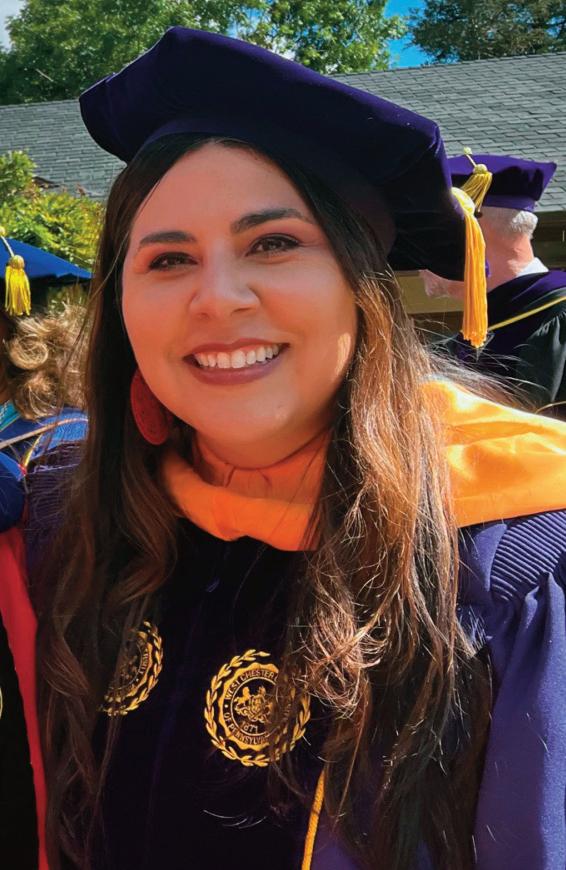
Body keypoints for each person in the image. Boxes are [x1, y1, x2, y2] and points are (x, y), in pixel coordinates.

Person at [7, 28, 566, 870]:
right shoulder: (71, 517)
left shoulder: (513, 562)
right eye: (168, 258)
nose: (217, 297)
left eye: (274, 243)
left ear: (361, 286)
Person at [421, 153, 566, 416]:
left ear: (471, 232)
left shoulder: (557, 321)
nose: (414, 255)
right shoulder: (461, 342)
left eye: (424, 234)